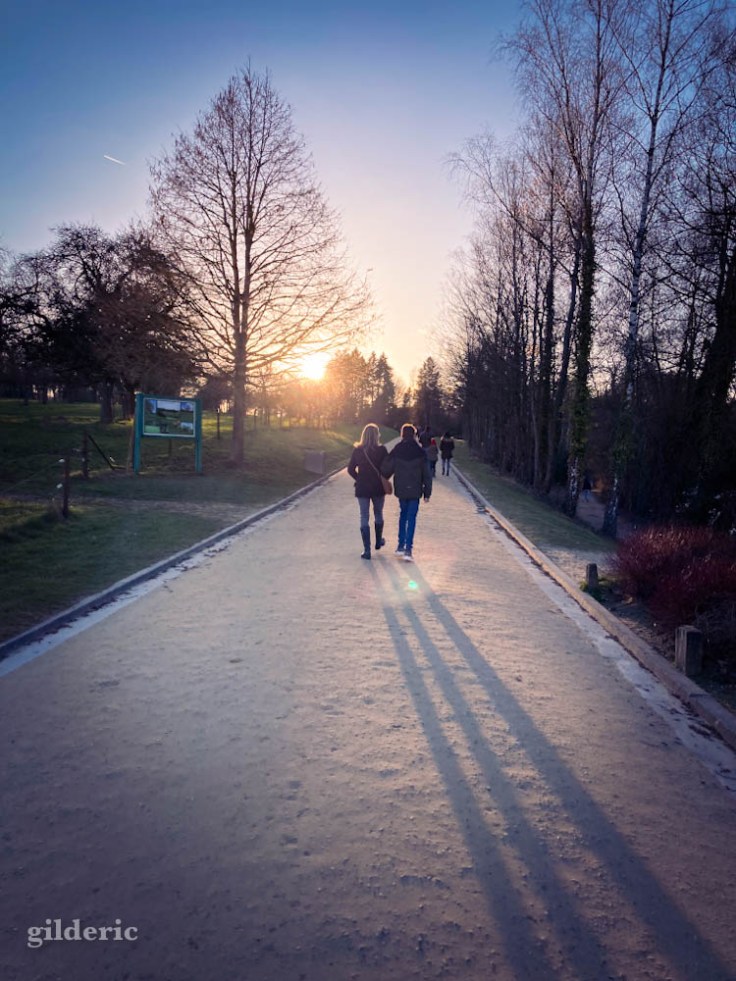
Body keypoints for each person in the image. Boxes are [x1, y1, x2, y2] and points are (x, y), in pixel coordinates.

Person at [381, 423, 432, 562]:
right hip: (415, 489)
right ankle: (408, 549)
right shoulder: (421, 452)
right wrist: (427, 493)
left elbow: (387, 468)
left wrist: (381, 478)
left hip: (401, 489)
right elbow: (427, 474)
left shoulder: (397, 449)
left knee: (403, 515)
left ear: (402, 434)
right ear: (414, 434)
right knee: (412, 518)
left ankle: (400, 545)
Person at [347, 423, 389, 560]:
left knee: (364, 516)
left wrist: (359, 478)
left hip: (362, 487)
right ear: (377, 435)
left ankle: (367, 550)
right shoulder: (382, 450)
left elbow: (350, 469)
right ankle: (378, 541)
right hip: (378, 487)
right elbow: (388, 468)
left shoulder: (358, 451)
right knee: (378, 513)